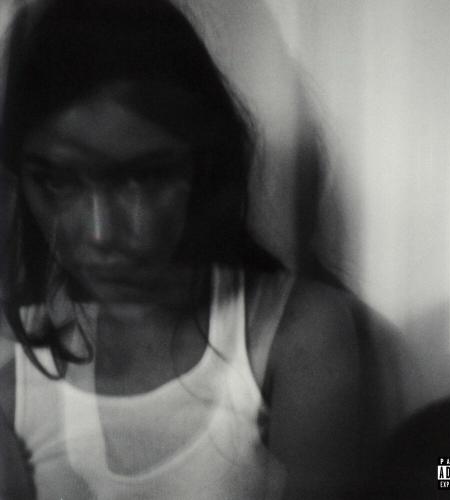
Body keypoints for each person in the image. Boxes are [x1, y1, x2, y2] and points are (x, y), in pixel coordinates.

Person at [0, 0, 366, 498]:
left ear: (203, 167)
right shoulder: (11, 358)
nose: (102, 232)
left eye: (145, 176)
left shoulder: (296, 335)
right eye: (59, 182)